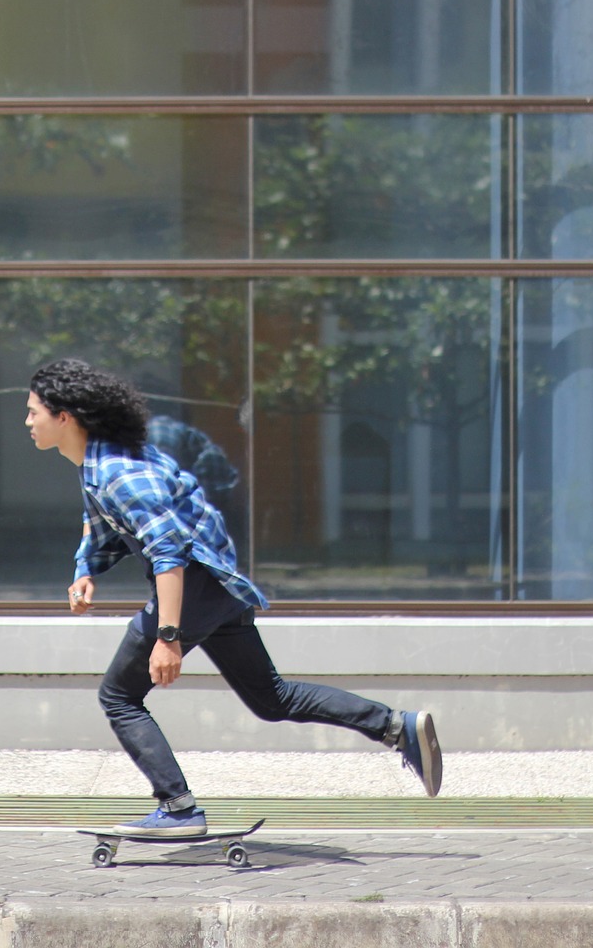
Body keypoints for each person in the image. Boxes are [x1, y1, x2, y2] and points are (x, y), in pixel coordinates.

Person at [26, 358, 442, 837]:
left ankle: (178, 808)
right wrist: (86, 571)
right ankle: (395, 726)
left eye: (34, 411)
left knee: (119, 695)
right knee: (272, 697)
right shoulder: (102, 463)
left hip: (194, 586)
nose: (28, 422)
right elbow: (103, 525)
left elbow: (169, 554)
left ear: (65, 417)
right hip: (218, 587)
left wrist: (168, 636)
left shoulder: (119, 472)